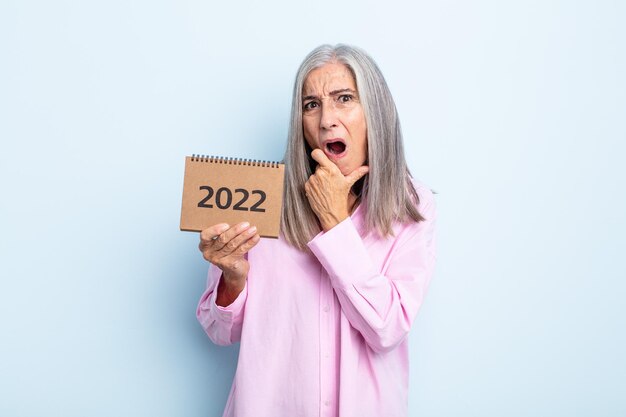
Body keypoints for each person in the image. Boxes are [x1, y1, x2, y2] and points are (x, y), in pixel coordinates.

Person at [196, 44, 437, 417]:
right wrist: (233, 279)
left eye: (344, 99)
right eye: (311, 104)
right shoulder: (261, 200)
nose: (327, 119)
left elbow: (387, 329)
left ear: (375, 111)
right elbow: (218, 331)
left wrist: (336, 224)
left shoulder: (411, 205)